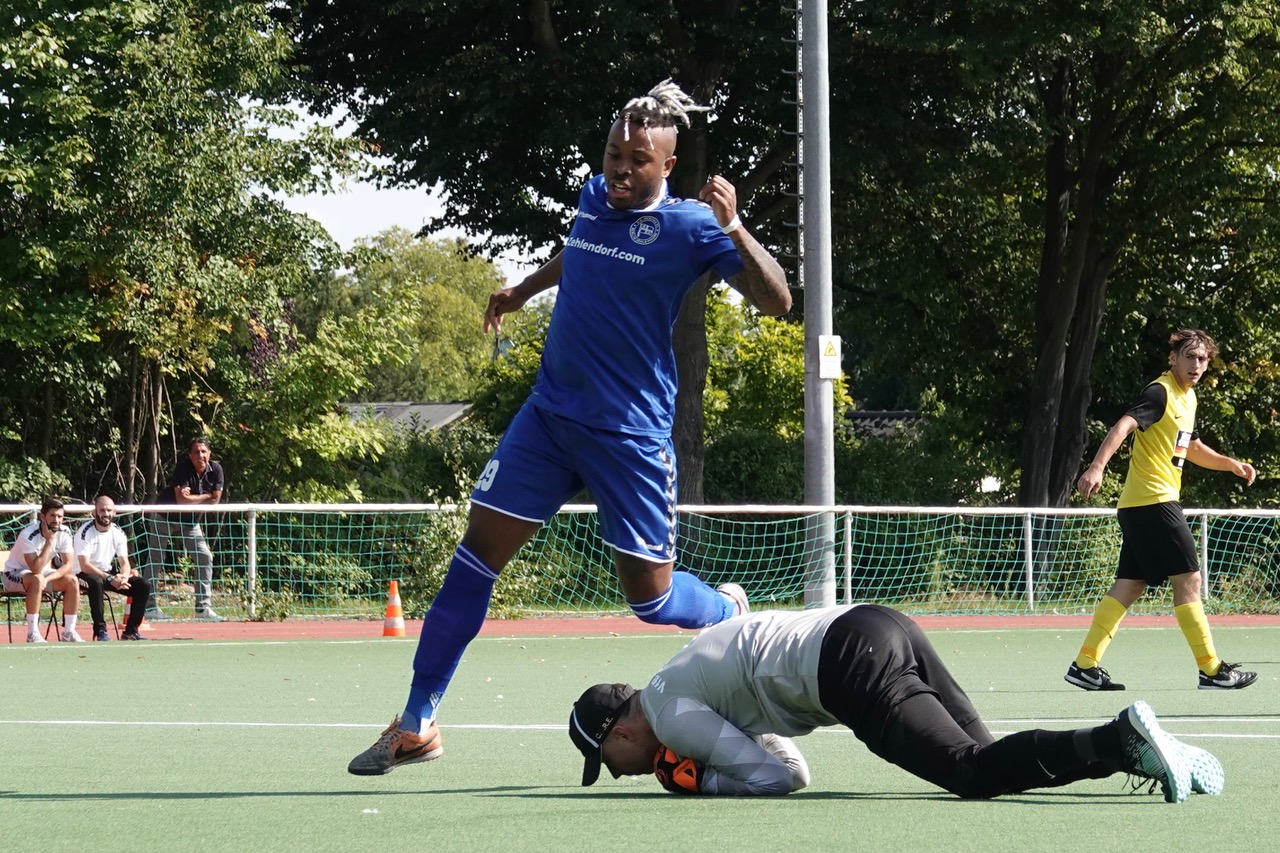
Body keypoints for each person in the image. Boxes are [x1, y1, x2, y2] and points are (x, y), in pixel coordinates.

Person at [347, 79, 791, 776]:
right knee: (472, 560)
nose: (619, 167)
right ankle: (416, 721)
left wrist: (735, 226)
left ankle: (727, 606)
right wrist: (522, 289)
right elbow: (583, 249)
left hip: (630, 435)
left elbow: (779, 299)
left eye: (636, 159)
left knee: (654, 600)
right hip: (549, 418)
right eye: (614, 152)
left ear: (666, 166)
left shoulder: (690, 227)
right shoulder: (592, 198)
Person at [568, 604, 1223, 803]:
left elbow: (774, 777)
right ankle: (1158, 753)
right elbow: (786, 763)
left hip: (847, 664)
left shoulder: (674, 714)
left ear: (622, 728)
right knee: (994, 761)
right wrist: (717, 763)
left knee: (971, 771)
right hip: (875, 622)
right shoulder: (675, 682)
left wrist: (704, 782)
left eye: (609, 758)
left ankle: (1121, 741)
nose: (621, 770)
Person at [1068, 329, 1257, 692]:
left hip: (1143, 505)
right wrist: (1096, 467)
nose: (1197, 365)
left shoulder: (1189, 399)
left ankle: (1085, 665)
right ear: (1173, 358)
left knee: (1130, 584)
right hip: (1153, 501)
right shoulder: (1161, 391)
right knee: (1189, 580)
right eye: (1190, 356)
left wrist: (1230, 463)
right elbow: (1123, 425)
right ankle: (1211, 670)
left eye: (1203, 359)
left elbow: (1193, 447)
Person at [146, 435, 226, 622]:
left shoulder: (217, 470)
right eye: (196, 452)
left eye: (204, 451)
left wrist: (197, 497)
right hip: (165, 516)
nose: (200, 455)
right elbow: (182, 501)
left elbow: (216, 501)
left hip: (190, 522)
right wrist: (207, 496)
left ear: (209, 453)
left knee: (204, 556)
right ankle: (149, 608)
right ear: (190, 455)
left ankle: (202, 608)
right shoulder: (183, 468)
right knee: (155, 559)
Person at [2, 496, 85, 642]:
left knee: (72, 580)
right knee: (37, 578)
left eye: (60, 516)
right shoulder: (27, 535)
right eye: (52, 515)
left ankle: (69, 632)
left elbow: (68, 565)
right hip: (13, 574)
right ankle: (32, 633)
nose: (56, 520)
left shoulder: (65, 532)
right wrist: (50, 541)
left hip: (41, 575)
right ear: (42, 516)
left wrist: (48, 579)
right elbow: (35, 568)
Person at [74, 494, 150, 641]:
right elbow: (85, 565)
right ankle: (100, 630)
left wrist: (124, 576)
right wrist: (109, 578)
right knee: (96, 583)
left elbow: (124, 563)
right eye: (102, 510)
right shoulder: (84, 533)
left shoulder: (118, 532)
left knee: (143, 585)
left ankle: (131, 631)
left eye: (109, 510)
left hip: (105, 573)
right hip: (81, 574)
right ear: (94, 512)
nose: (106, 514)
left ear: (114, 512)